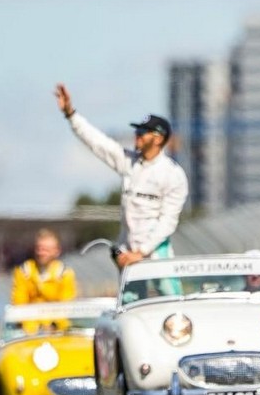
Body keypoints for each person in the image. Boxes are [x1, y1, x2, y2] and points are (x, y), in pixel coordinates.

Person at [56, 83, 189, 270]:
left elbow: (168, 221)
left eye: (143, 133)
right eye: (137, 131)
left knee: (169, 297)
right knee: (129, 300)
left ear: (158, 138)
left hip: (157, 253)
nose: (137, 136)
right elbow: (98, 143)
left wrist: (141, 252)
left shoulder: (173, 174)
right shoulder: (129, 162)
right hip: (127, 253)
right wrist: (71, 114)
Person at [10, 228, 76, 305]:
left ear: (57, 251)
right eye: (39, 249)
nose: (41, 253)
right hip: (30, 317)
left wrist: (41, 288)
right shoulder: (24, 271)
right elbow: (18, 303)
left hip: (55, 317)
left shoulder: (65, 273)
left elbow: (66, 304)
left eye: (46, 250)